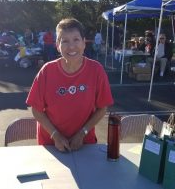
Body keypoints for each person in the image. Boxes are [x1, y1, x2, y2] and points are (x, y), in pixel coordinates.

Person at [26, 18, 114, 152]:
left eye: (76, 40)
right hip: (51, 144)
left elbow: (102, 108)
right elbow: (36, 109)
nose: (71, 46)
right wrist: (55, 135)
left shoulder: (96, 70)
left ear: (84, 43)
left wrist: (82, 133)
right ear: (57, 45)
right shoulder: (47, 71)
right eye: (65, 41)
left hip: (85, 143)